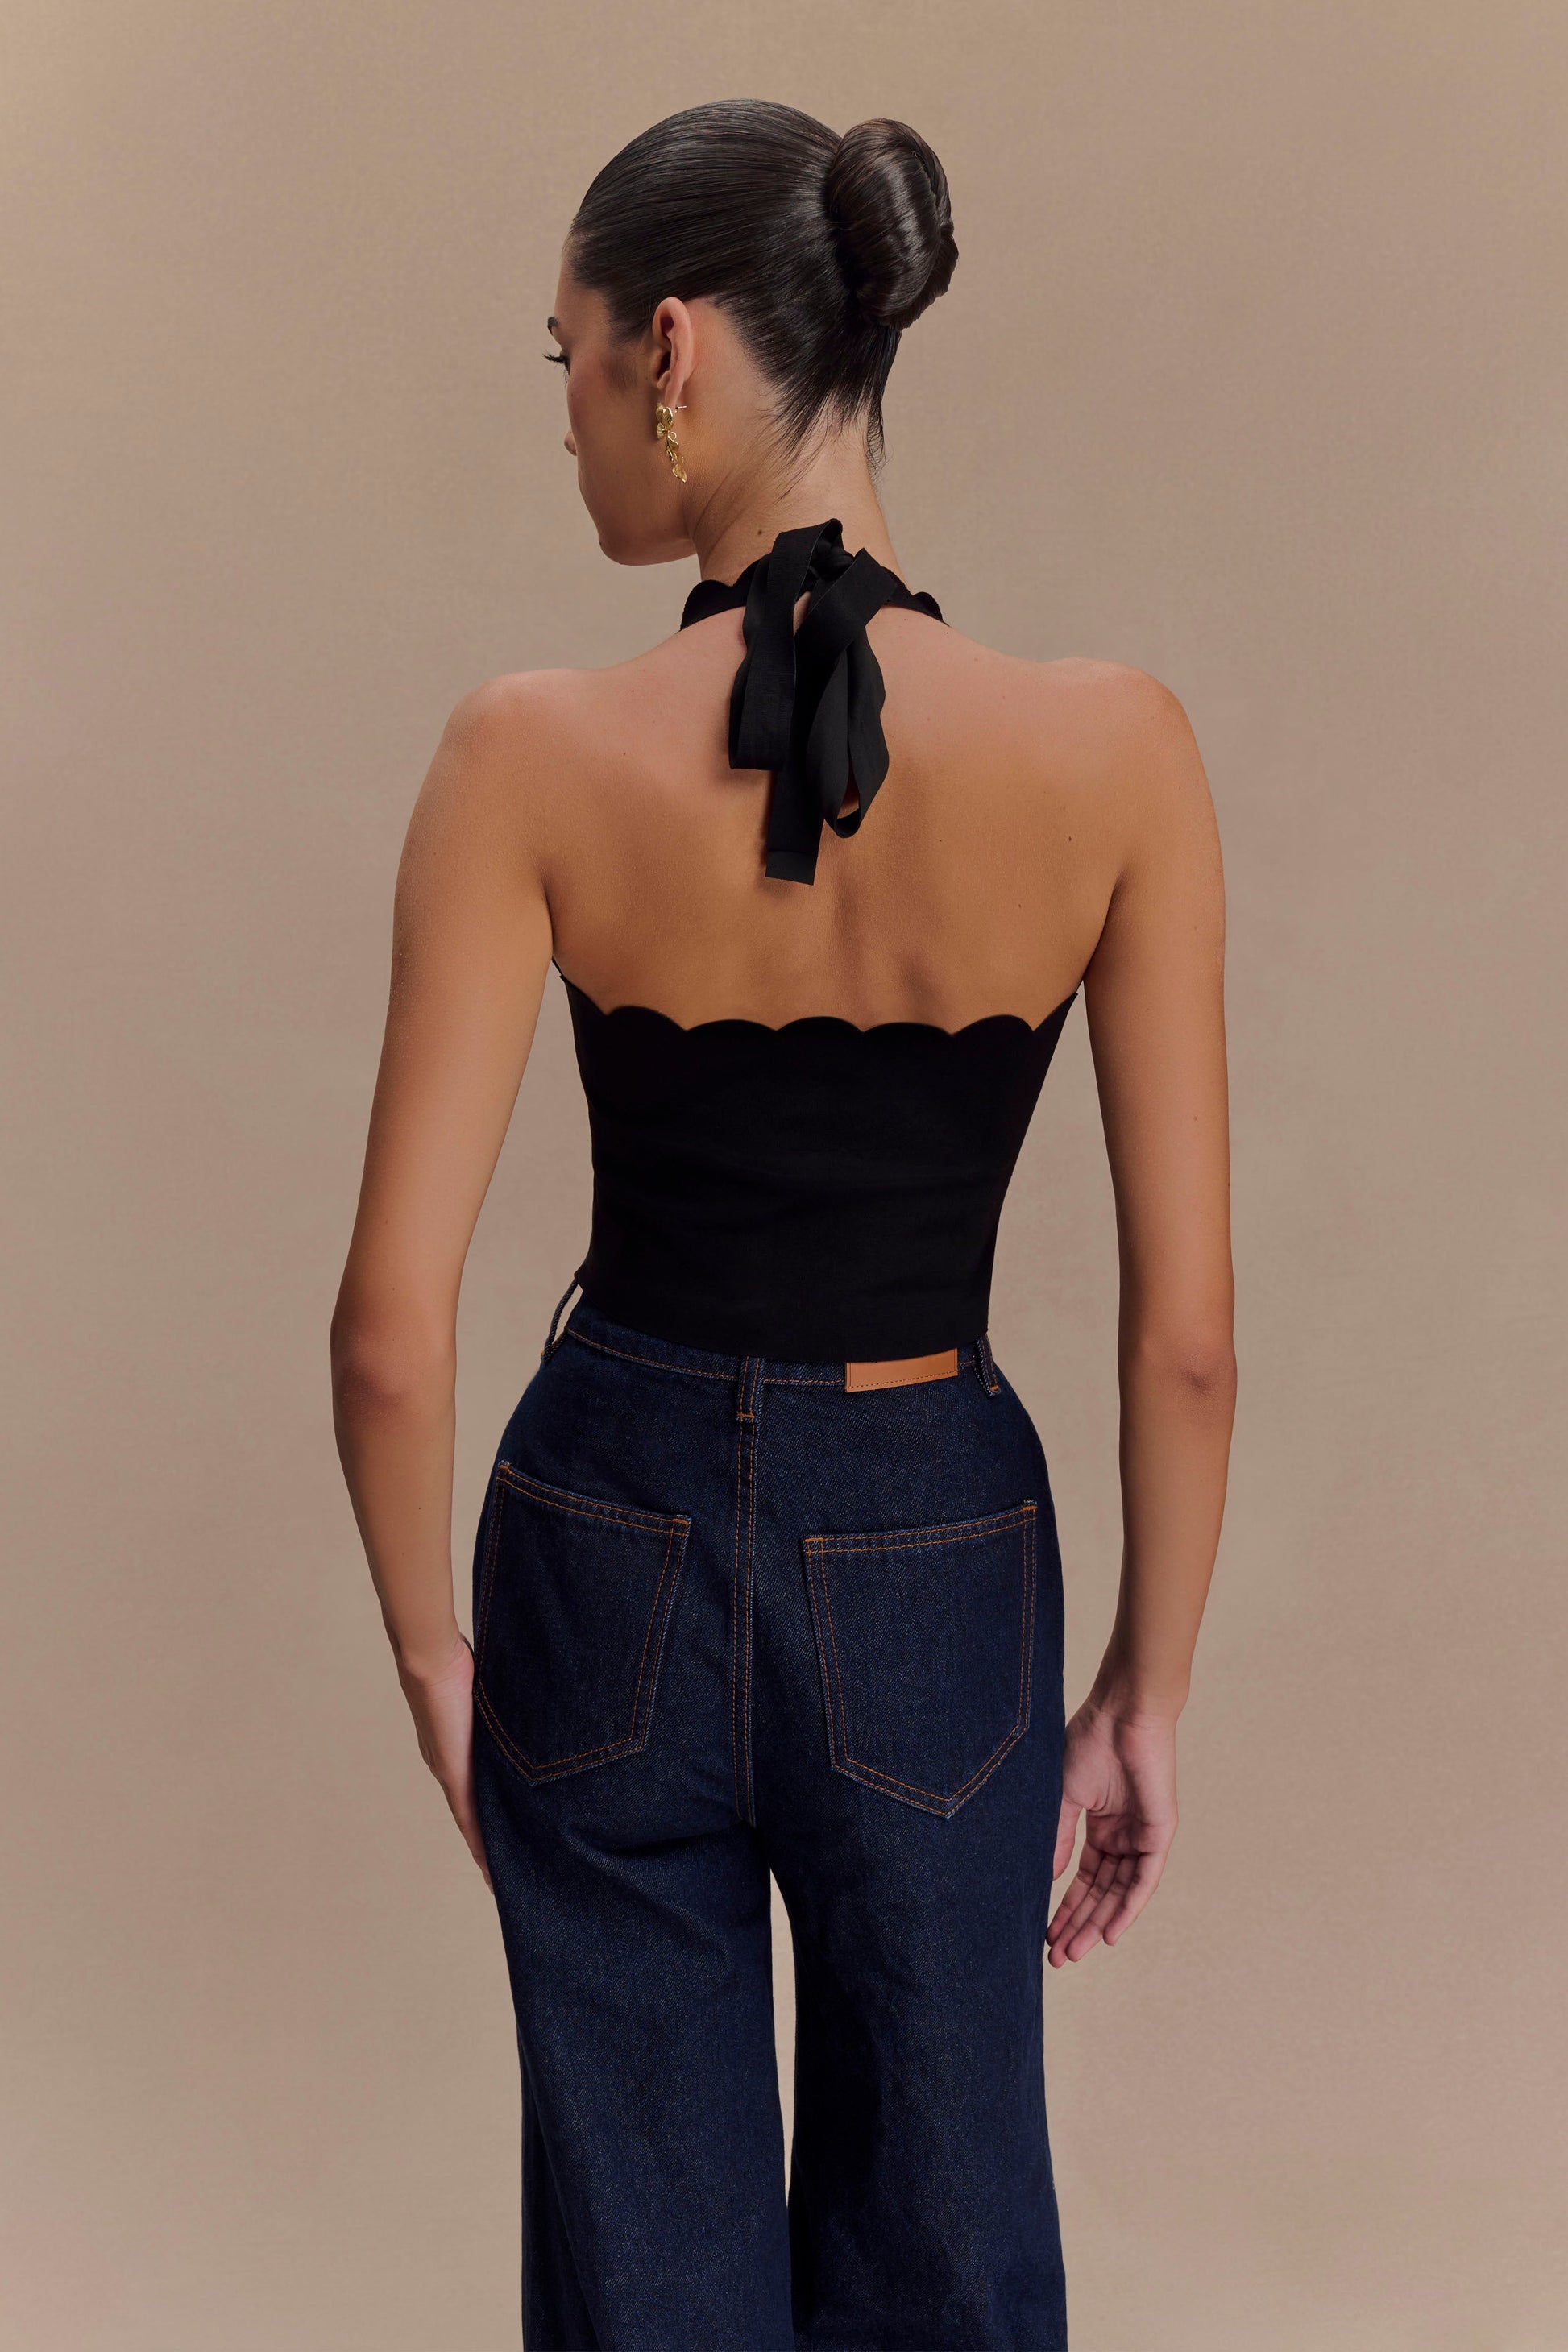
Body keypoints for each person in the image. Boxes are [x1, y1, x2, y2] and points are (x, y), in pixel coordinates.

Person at [330, 98, 1235, 2352]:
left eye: (560, 361)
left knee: (644, 2267)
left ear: (666, 351)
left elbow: (386, 1331)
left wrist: (433, 1655)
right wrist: (1143, 1688)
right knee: (947, 2230)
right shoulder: (1117, 752)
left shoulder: (524, 754)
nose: (561, 417)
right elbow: (1189, 1338)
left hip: (603, 1537)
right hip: (935, 1532)